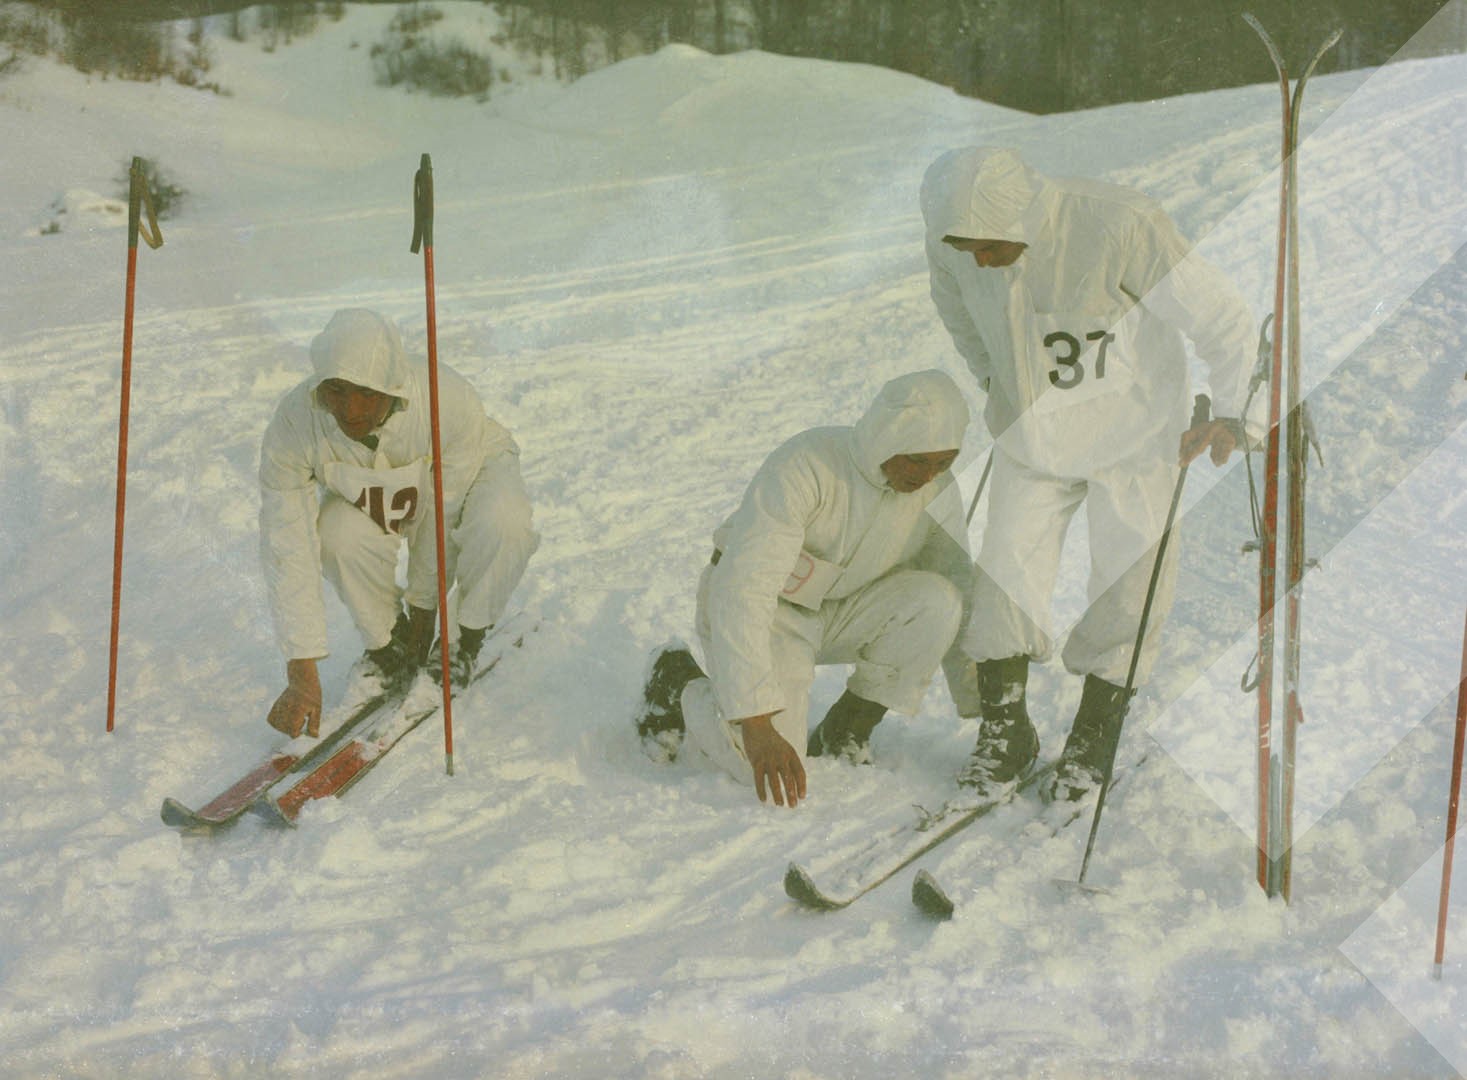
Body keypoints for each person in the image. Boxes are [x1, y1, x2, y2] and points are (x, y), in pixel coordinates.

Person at [919, 146, 1257, 801]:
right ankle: (1006, 730)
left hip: (1135, 435)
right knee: (1003, 575)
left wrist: (1234, 411)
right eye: (964, 249)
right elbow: (958, 314)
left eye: (989, 247)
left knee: (1129, 584)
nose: (977, 261)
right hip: (1032, 435)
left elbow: (1220, 315)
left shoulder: (1118, 223)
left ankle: (1094, 734)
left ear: (1022, 220)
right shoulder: (953, 241)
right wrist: (995, 381)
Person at [635, 370, 981, 808]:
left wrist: (985, 703)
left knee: (939, 600)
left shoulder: (936, 491)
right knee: (757, 766)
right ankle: (676, 680)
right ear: (887, 438)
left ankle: (848, 728)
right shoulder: (808, 465)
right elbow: (744, 589)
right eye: (916, 460)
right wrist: (755, 721)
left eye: (943, 463)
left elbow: (959, 582)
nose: (928, 476)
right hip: (768, 612)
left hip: (843, 607)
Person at [259, 308, 537, 738]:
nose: (350, 410)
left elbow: (443, 514)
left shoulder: (447, 398)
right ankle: (388, 644)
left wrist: (425, 608)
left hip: (469, 472)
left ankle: (464, 639)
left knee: (504, 521)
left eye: (367, 393)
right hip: (381, 483)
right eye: (336, 390)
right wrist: (301, 666)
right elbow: (287, 542)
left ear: (393, 388)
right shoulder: (295, 423)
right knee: (337, 533)